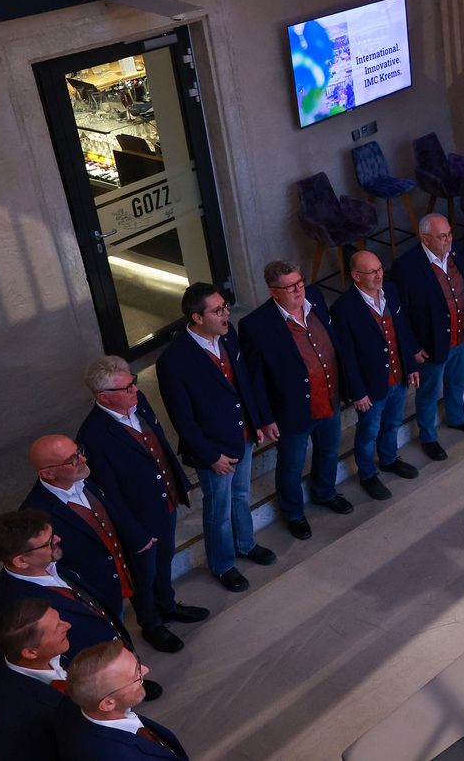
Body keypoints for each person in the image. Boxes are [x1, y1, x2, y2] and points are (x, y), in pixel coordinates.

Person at [75, 357, 208, 654]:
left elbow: (158, 444)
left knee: (166, 559)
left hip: (165, 502)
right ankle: (151, 623)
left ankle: (168, 605)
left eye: (133, 381)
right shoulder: (93, 437)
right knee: (143, 577)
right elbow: (107, 494)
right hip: (138, 520)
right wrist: (135, 534)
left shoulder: (140, 401)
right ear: (104, 397)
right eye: (127, 387)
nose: (135, 389)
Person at [156, 283, 275, 593]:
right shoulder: (174, 360)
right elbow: (183, 418)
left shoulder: (228, 334)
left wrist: (257, 421)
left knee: (241, 495)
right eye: (218, 310)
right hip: (214, 449)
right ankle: (222, 564)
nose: (226, 314)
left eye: (226, 307)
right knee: (218, 509)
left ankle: (246, 544)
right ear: (196, 317)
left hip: (243, 435)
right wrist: (210, 456)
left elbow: (244, 383)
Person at [0, 510, 160, 699]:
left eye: (53, 534)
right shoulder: (17, 607)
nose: (58, 539)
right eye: (48, 542)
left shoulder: (48, 562)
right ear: (21, 561)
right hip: (91, 670)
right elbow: (46, 658)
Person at [239, 260, 352, 541]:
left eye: (299, 283)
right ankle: (293, 513)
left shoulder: (313, 297)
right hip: (292, 409)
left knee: (328, 451)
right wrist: (264, 418)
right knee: (291, 464)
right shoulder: (256, 325)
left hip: (329, 396)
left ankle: (325, 492)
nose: (298, 290)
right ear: (273, 291)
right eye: (290, 287)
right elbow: (255, 379)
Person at [21, 436, 144, 628]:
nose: (83, 459)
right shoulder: (35, 516)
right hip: (97, 593)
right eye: (72, 460)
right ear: (48, 474)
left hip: (126, 569)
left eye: (79, 451)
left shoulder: (85, 477)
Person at [391, 213, 464, 462]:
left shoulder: (456, 253)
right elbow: (400, 314)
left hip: (460, 336)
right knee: (429, 393)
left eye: (449, 234)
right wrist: (412, 346)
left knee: (456, 382)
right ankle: (428, 437)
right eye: (441, 236)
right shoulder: (407, 267)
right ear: (425, 238)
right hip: (431, 344)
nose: (448, 240)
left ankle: (456, 418)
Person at [332, 251, 422, 501]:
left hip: (397, 375)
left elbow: (401, 330)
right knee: (368, 431)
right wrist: (357, 391)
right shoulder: (343, 308)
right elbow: (346, 356)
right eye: (371, 272)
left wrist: (411, 365)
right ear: (356, 276)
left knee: (393, 422)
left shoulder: (390, 291)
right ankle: (367, 473)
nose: (378, 275)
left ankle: (389, 458)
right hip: (371, 386)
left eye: (380, 269)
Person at [56, 641, 187, 760]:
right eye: (137, 675)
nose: (146, 670)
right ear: (108, 703)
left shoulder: (81, 703)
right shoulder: (118, 755)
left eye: (138, 664)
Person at [0, 598, 70, 761]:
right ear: (30, 652)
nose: (67, 625)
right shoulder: (14, 718)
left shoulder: (16, 648)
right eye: (57, 627)